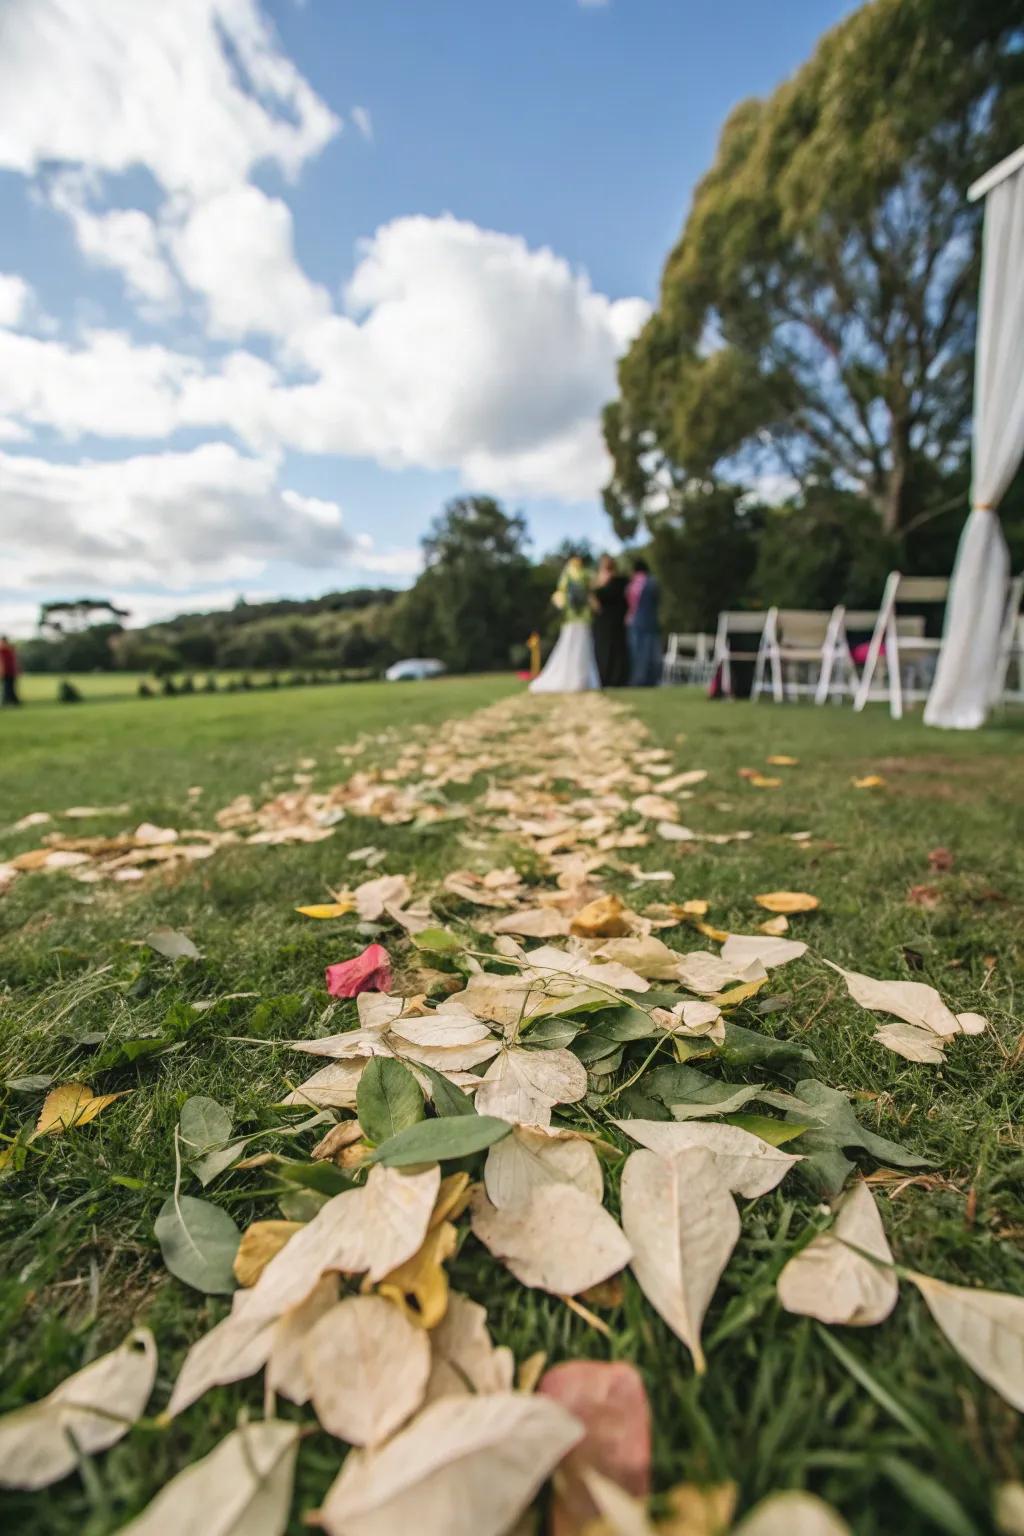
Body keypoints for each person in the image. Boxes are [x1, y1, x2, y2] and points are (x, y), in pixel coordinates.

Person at [529, 554, 600, 693]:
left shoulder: (568, 576)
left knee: (575, 648)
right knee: (577, 649)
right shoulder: (581, 575)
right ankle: (579, 679)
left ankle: (577, 679)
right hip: (577, 619)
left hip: (574, 619)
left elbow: (561, 596)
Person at [591, 554, 629, 687]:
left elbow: (596, 604)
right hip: (615, 623)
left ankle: (607, 679)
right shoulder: (623, 582)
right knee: (614, 652)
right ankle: (615, 679)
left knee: (606, 652)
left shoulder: (610, 584)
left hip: (607, 623)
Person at [625, 558, 662, 687]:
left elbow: (629, 604)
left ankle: (638, 679)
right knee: (650, 652)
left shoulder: (632, 584)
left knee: (637, 653)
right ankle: (651, 679)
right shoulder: (652, 583)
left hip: (635, 622)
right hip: (650, 621)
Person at [0, 635, 20, 706]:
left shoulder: (8, 649)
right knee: (7, 687)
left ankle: (11, 701)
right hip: (7, 672)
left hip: (10, 671)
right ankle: (10, 701)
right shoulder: (4, 650)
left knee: (9, 687)